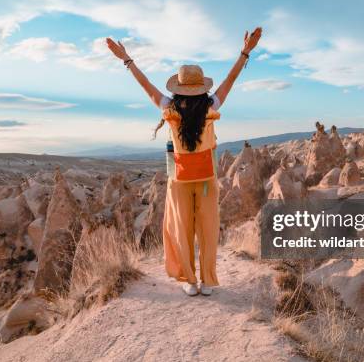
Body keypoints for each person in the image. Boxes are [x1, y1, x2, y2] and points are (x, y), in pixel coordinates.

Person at [106, 27, 262, 296]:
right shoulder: (211, 106)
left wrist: (127, 59)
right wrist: (245, 52)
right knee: (208, 229)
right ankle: (208, 281)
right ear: (202, 88)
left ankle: (190, 280)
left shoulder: (169, 108)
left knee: (182, 230)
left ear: (178, 88)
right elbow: (231, 79)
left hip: (179, 180)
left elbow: (145, 86)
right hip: (206, 180)